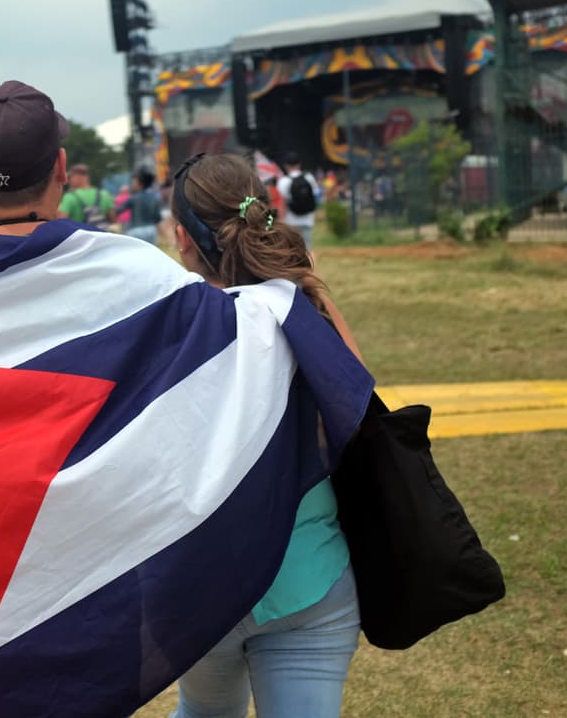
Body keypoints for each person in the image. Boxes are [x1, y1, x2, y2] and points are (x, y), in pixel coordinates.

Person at [0, 81, 374, 717]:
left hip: (189, 594)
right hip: (286, 578)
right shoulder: (137, 276)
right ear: (61, 169)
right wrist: (296, 287)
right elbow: (263, 337)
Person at [169, 153, 363, 718]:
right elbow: (359, 415)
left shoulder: (171, 321)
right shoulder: (309, 304)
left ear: (182, 238)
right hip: (311, 577)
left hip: (201, 585)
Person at [277, 152, 321, 251]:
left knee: (292, 250)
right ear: (299, 164)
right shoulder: (309, 178)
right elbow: (315, 196)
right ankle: (311, 266)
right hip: (307, 219)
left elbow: (282, 203)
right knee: (308, 249)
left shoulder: (283, 181)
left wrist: (280, 220)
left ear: (286, 165)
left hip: (290, 220)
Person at [57, 162, 116, 228]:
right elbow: (113, 220)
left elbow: (60, 222)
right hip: (103, 236)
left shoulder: (69, 197)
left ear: (78, 176)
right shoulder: (104, 194)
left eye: (70, 177)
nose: (68, 181)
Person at [121, 167, 162, 244]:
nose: (132, 183)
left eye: (134, 181)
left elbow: (119, 210)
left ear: (140, 183)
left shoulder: (133, 198)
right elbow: (157, 218)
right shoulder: (154, 197)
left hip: (135, 231)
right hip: (151, 230)